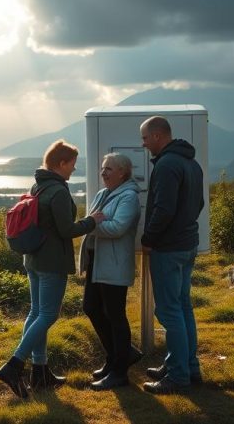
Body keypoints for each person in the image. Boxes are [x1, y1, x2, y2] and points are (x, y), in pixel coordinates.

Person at [0, 139, 105, 398]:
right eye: (72, 165)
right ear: (61, 163)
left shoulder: (38, 185)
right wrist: (92, 221)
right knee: (48, 315)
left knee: (36, 313)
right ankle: (14, 365)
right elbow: (66, 230)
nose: (73, 170)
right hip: (52, 262)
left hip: (33, 259)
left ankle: (40, 371)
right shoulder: (58, 192)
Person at [139, 116, 205, 394]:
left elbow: (163, 209)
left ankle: (178, 376)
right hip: (187, 244)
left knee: (168, 311)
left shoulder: (166, 165)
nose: (143, 144)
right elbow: (199, 203)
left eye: (144, 138)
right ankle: (188, 366)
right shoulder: (191, 163)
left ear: (157, 136)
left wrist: (148, 239)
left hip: (168, 248)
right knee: (183, 306)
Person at [80, 152, 143, 390]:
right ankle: (120, 355)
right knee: (92, 308)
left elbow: (117, 227)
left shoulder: (128, 197)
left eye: (109, 169)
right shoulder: (103, 193)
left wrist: (93, 223)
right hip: (98, 261)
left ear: (122, 173)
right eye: (103, 168)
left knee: (115, 315)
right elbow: (94, 220)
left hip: (114, 263)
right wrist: (93, 221)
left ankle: (119, 372)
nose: (103, 172)